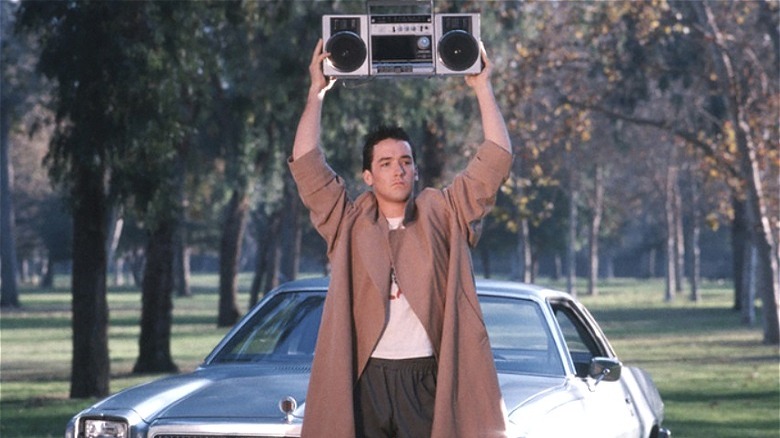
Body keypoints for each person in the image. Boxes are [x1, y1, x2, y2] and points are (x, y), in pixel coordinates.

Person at [289, 38, 513, 438]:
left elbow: (495, 158)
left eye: (406, 162)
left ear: (415, 170)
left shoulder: (443, 212)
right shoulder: (348, 221)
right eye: (387, 163)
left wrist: (482, 87)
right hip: (367, 378)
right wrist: (315, 93)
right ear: (368, 177)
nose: (399, 170)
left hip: (426, 377)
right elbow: (307, 166)